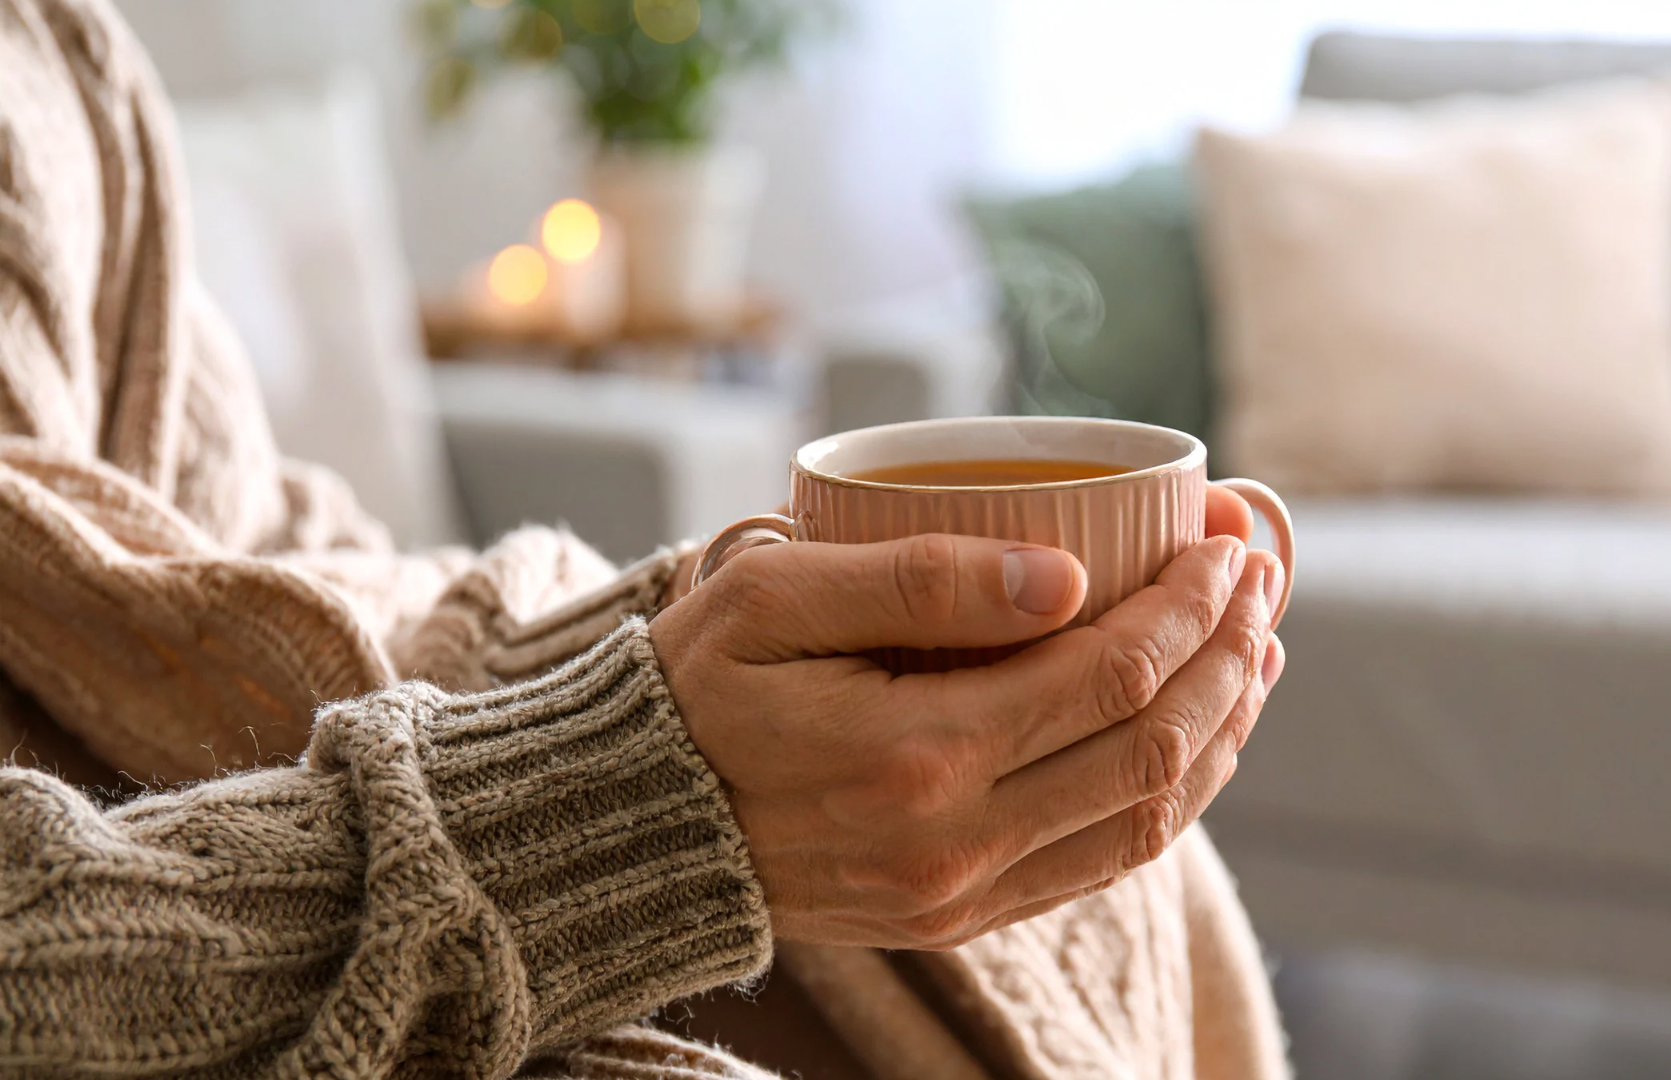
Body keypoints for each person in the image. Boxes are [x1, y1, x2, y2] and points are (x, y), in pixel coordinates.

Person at [0, 1, 1290, 1077]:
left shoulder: (59, 64)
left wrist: (655, 646)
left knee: (1113, 868)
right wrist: (629, 804)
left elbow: (242, 558)